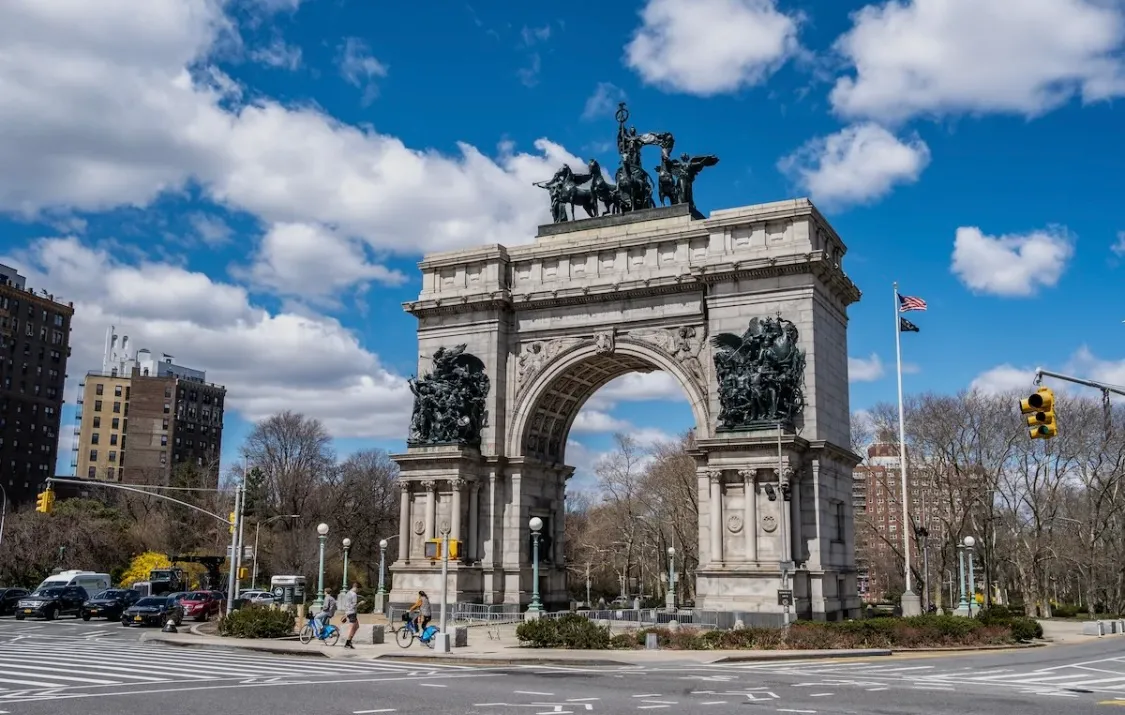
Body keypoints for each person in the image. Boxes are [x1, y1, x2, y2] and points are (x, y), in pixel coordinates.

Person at [340, 583, 364, 649]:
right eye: (358, 590)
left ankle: (349, 641)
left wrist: (346, 613)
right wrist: (360, 603)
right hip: (352, 612)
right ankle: (348, 642)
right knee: (352, 627)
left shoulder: (348, 593)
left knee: (356, 626)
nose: (358, 591)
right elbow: (354, 606)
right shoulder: (354, 594)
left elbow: (346, 604)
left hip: (348, 611)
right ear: (356, 588)